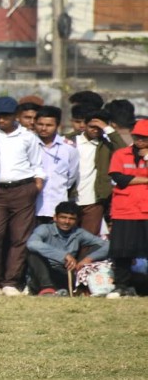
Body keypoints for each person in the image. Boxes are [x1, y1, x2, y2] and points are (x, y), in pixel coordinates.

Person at [0, 97, 45, 297]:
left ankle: (11, 282)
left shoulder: (27, 136)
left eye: (6, 116)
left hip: (22, 188)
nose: (2, 120)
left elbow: (37, 164)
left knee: (20, 238)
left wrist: (36, 185)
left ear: (15, 116)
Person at [26, 201, 108, 296]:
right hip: (42, 273)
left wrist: (89, 259)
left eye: (71, 219)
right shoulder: (44, 229)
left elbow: (107, 245)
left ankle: (69, 290)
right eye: (63, 217)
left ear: (77, 220)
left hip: (65, 273)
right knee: (33, 254)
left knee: (97, 248)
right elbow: (32, 243)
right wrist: (63, 255)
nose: (67, 222)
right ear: (55, 217)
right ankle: (47, 289)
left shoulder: (78, 233)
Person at [106, 120, 148, 298]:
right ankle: (121, 285)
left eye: (144, 138)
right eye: (137, 137)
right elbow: (119, 178)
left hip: (145, 209)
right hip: (125, 209)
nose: (140, 141)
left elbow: (127, 178)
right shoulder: (121, 154)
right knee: (122, 250)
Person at [68, 108, 120, 236]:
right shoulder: (69, 141)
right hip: (70, 197)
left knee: (89, 239)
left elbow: (123, 150)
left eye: (99, 128)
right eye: (92, 127)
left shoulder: (106, 145)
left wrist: (107, 128)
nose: (95, 130)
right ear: (85, 125)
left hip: (94, 200)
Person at [33, 106, 79, 223]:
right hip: (31, 205)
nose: (44, 128)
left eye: (49, 125)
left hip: (57, 205)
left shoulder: (68, 148)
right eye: (40, 124)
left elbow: (71, 176)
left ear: (58, 125)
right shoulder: (29, 144)